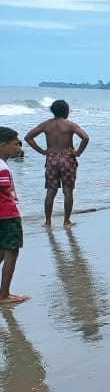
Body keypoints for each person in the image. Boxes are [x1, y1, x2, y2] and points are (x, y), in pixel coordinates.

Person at [23, 99, 89, 227]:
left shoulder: (46, 124)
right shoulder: (70, 125)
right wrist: (78, 152)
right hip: (67, 158)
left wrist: (42, 151)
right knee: (68, 191)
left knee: (51, 191)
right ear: (66, 111)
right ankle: (66, 221)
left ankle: (48, 222)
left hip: (51, 159)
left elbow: (28, 137)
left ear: (53, 111)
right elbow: (85, 137)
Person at [0, 127, 28, 305]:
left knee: (2, 251)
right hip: (7, 214)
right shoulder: (2, 168)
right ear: (3, 145)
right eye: (16, 144)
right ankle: (4, 295)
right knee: (12, 251)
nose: (19, 147)